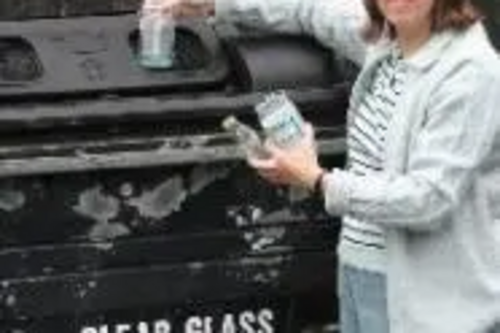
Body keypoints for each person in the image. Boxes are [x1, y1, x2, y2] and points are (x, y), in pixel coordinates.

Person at [157, 0, 500, 332]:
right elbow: (310, 8)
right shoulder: (389, 40)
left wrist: (317, 179)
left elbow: (427, 199)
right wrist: (216, 4)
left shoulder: (470, 73)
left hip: (429, 299)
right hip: (361, 271)